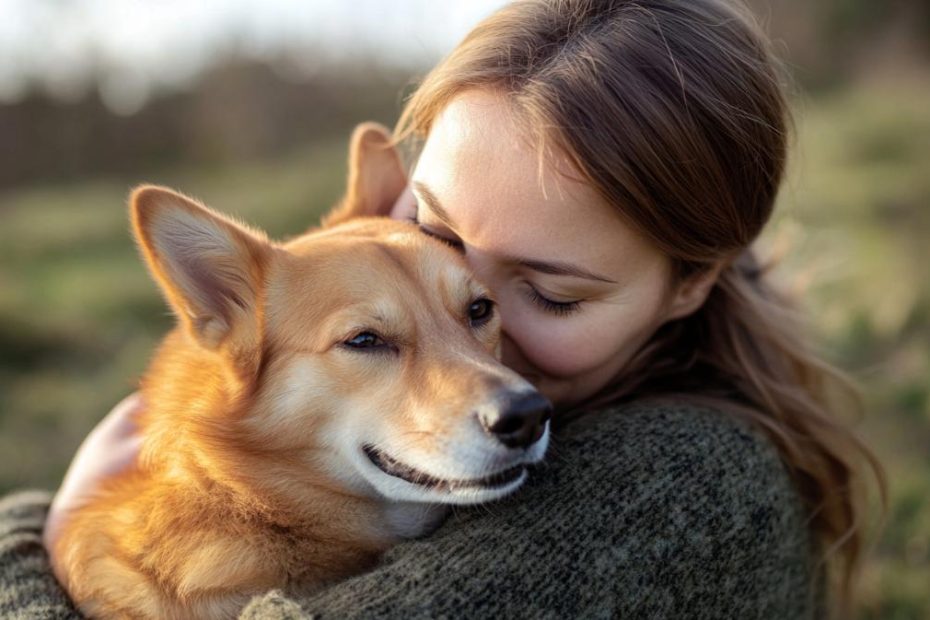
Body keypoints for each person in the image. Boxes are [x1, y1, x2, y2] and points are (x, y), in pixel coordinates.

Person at [0, 0, 883, 618]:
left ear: (691, 283)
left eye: (549, 294)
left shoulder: (667, 490)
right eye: (440, 238)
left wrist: (45, 540)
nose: (488, 370)